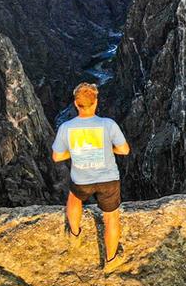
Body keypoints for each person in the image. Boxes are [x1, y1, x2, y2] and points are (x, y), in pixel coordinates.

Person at [51, 82, 130, 273]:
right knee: (111, 218)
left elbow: (57, 156)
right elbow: (124, 150)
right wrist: (105, 149)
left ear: (76, 104)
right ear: (96, 102)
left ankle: (75, 234)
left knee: (74, 199)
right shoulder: (108, 124)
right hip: (108, 180)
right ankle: (111, 261)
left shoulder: (66, 127)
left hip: (82, 178)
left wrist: (76, 153)